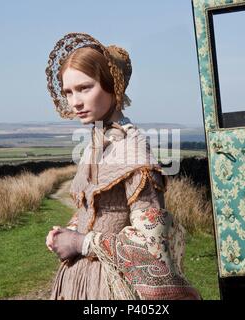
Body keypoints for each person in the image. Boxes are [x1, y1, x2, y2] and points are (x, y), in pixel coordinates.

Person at [44, 32, 200, 300]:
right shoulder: (96, 144)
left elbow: (153, 246)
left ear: (112, 86)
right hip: (80, 282)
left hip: (113, 288)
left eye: (85, 88)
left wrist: (80, 243)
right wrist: (67, 231)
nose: (75, 102)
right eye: (68, 92)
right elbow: (94, 212)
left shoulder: (133, 151)